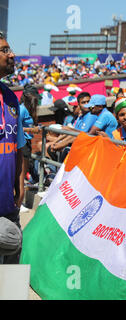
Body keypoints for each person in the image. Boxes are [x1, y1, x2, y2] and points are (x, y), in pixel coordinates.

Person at [0, 33, 26, 264]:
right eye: (5, 50)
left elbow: (17, 145)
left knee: (10, 277)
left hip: (7, 205)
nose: (12, 55)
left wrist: (20, 183)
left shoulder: (10, 97)